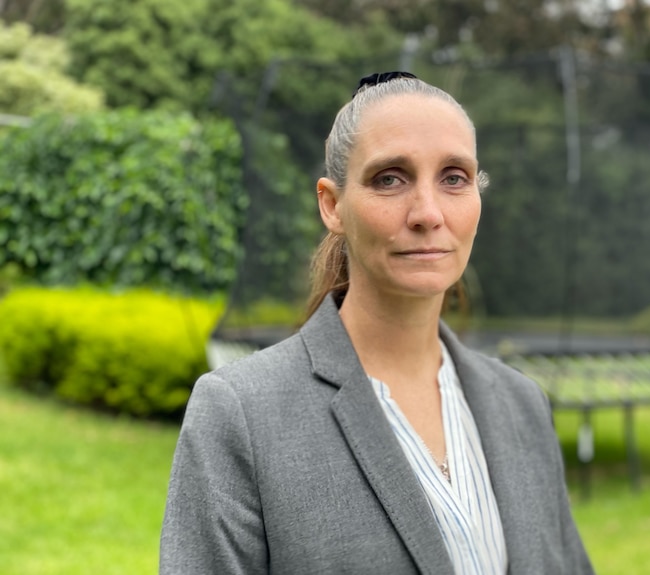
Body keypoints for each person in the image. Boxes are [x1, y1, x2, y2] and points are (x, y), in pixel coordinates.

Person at [160, 71, 595, 575]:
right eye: (390, 178)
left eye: (454, 177)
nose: (428, 213)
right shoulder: (241, 415)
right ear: (332, 205)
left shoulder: (523, 405)